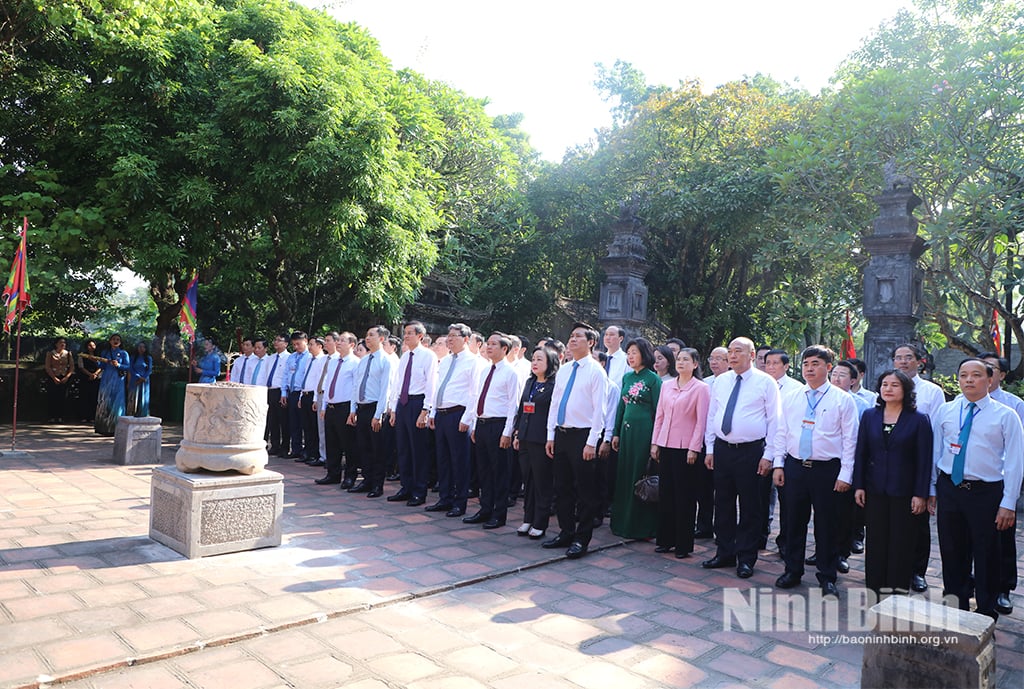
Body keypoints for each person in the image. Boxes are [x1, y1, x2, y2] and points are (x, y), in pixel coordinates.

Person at [929, 358, 1023, 620]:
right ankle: (956, 607)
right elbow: (936, 450)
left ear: (990, 379)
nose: (969, 380)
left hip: (986, 492)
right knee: (951, 549)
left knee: (987, 552)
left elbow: (1015, 461)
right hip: (951, 488)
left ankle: (984, 610)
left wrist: (1008, 502)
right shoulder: (946, 411)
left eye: (976, 375)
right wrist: (932, 489)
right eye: (963, 375)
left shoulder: (1006, 415)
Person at [772, 346, 858, 596]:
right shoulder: (792, 397)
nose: (809, 368)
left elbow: (850, 439)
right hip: (795, 467)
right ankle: (792, 570)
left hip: (827, 470)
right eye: (806, 363)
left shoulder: (843, 399)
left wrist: (846, 474)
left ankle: (827, 575)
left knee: (827, 525)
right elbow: (781, 432)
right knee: (793, 522)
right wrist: (779, 463)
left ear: (829, 367)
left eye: (816, 364)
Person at [703, 337, 780, 580]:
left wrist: (769, 455)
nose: (733, 356)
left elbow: (775, 422)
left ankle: (746, 558)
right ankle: (724, 552)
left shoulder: (765, 382)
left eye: (738, 351)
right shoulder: (721, 381)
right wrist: (710, 448)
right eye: (730, 352)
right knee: (722, 503)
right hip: (723, 450)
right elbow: (713, 414)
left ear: (752, 354)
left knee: (750, 507)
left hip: (752, 452)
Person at [852, 369, 932, 595]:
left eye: (894, 385)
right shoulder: (870, 415)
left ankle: (896, 592)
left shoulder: (918, 419)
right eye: (884, 384)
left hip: (905, 492)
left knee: (901, 542)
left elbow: (924, 460)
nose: (888, 389)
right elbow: (861, 453)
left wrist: (920, 494)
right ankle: (874, 590)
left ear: (906, 390)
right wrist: (859, 485)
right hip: (874, 488)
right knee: (876, 541)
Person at [543, 323, 607, 559]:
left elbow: (600, 411)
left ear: (591, 342)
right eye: (571, 336)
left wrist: (592, 442)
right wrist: (551, 435)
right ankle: (565, 531)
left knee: (585, 491)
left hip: (583, 436)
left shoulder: (596, 371)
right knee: (562, 488)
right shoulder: (565, 369)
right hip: (562, 433)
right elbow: (555, 403)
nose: (572, 340)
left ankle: (582, 539)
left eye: (578, 337)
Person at [892, 343, 946, 592]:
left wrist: (930, 475)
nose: (903, 362)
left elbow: (936, 434)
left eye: (908, 358)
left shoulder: (932, 392)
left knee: (918, 521)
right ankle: (894, 568)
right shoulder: (888, 386)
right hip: (891, 465)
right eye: (898, 358)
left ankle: (917, 571)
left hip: (919, 463)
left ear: (919, 361)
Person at [651, 347, 709, 558]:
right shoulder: (666, 386)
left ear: (695, 364)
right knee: (666, 493)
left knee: (684, 496)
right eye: (679, 359)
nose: (681, 363)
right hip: (665, 444)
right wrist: (655, 443)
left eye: (686, 360)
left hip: (686, 449)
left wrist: (694, 448)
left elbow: (701, 422)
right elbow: (659, 416)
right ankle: (665, 540)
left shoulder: (701, 389)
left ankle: (683, 544)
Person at [978, 352, 1024, 615]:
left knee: (1003, 537)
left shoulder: (1013, 406)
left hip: (1002, 481)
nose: (982, 373)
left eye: (989, 369)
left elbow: (1018, 448)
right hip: (974, 482)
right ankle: (979, 582)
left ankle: (1004, 589)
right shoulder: (961, 404)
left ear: (1001, 375)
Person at [461, 332, 520, 529]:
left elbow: (514, 405)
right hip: (483, 424)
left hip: (499, 425)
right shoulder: (486, 370)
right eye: (488, 343)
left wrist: (507, 432)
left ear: (505, 349)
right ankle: (485, 508)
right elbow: (479, 398)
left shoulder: (510, 372)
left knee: (499, 472)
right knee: (484, 471)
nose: (489, 347)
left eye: (494, 344)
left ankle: (499, 513)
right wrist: (475, 425)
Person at [427, 324, 482, 518]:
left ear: (466, 339)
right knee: (443, 459)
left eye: (454, 336)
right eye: (448, 336)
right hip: (441, 414)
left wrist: (467, 418)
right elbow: (438, 388)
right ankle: (445, 498)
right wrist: (432, 413)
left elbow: (475, 393)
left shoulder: (474, 362)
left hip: (458, 414)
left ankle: (460, 502)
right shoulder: (447, 360)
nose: (449, 339)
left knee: (459, 461)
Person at [610, 337, 662, 539]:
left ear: (645, 354)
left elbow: (659, 412)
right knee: (623, 474)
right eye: (628, 352)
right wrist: (615, 433)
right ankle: (622, 522)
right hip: (625, 432)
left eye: (634, 352)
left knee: (640, 476)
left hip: (644, 434)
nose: (630, 356)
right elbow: (621, 407)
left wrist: (655, 441)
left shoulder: (653, 379)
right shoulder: (627, 378)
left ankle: (641, 526)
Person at [388, 321, 438, 506]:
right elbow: (398, 383)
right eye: (405, 333)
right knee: (403, 448)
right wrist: (394, 409)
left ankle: (419, 490)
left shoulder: (428, 356)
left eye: (410, 333)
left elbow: (431, 384)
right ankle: (406, 486)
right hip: (403, 403)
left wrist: (425, 410)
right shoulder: (405, 356)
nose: (406, 336)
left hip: (418, 403)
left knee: (419, 450)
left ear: (420, 336)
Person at [513, 346, 559, 539]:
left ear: (550, 363)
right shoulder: (530, 382)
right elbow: (523, 409)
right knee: (528, 480)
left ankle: (540, 522)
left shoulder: (554, 385)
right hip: (525, 437)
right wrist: (517, 433)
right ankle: (527, 518)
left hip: (541, 440)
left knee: (542, 482)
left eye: (540, 359)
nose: (535, 363)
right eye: (533, 359)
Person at [348, 326, 396, 498]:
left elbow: (386, 390)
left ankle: (377, 484)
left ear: (382, 339)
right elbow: (356, 386)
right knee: (364, 447)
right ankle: (366, 480)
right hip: (361, 407)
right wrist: (352, 409)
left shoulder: (386, 360)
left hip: (375, 408)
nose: (367, 338)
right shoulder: (364, 360)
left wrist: (378, 415)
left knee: (377, 449)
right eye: (366, 335)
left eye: (371, 335)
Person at [316, 332, 359, 486]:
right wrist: (325, 405)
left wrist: (353, 411)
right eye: (338, 340)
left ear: (352, 345)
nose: (338, 343)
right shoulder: (333, 362)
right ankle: (332, 474)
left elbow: (355, 388)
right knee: (331, 442)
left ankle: (350, 476)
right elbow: (328, 384)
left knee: (348, 444)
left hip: (345, 407)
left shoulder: (355, 363)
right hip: (331, 407)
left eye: (342, 340)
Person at [281, 331, 311, 460]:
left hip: (303, 392)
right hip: (292, 392)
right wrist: (284, 392)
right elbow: (286, 375)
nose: (296, 347)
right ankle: (296, 449)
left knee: (305, 423)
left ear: (305, 341)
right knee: (293, 423)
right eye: (294, 344)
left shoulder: (310, 357)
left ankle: (307, 450)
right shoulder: (292, 357)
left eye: (298, 344)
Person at [94, 334, 130, 436]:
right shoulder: (105, 352)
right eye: (114, 339)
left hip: (118, 381)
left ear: (120, 342)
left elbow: (127, 366)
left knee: (117, 402)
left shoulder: (124, 353)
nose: (116, 341)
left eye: (118, 339)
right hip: (106, 379)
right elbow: (102, 366)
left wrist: (118, 365)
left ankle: (116, 428)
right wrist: (97, 361)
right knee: (104, 401)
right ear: (110, 341)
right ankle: (103, 427)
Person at [264, 334, 291, 456]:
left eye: (279, 340)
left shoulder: (288, 358)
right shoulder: (270, 358)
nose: (276, 342)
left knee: (283, 421)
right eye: (275, 339)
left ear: (286, 344)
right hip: (270, 390)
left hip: (281, 391)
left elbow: (287, 377)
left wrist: (284, 392)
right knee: (272, 419)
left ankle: (285, 447)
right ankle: (274, 445)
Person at [44, 337, 74, 422]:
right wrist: (54, 377)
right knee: (52, 397)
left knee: (63, 397)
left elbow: (71, 367)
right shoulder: (50, 353)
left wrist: (67, 377)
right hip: (53, 376)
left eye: (64, 343)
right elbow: (47, 366)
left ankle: (61, 416)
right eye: (60, 342)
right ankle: (52, 416)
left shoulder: (68, 353)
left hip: (64, 376)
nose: (62, 344)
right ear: (56, 344)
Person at [77, 339, 101, 423]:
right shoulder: (82, 355)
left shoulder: (98, 355)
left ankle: (92, 417)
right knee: (84, 397)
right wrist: (89, 374)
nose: (92, 347)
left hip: (96, 378)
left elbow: (101, 367)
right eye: (90, 345)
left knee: (94, 397)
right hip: (85, 378)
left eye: (93, 345)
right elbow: (81, 367)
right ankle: (83, 416)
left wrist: (95, 374)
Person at [126, 342, 153, 417]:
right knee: (132, 398)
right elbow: (130, 368)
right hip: (134, 380)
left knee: (143, 397)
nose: (141, 349)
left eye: (143, 347)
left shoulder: (148, 358)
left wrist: (143, 378)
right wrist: (138, 377)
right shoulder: (133, 357)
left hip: (144, 381)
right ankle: (131, 415)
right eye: (140, 347)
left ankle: (143, 414)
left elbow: (149, 370)